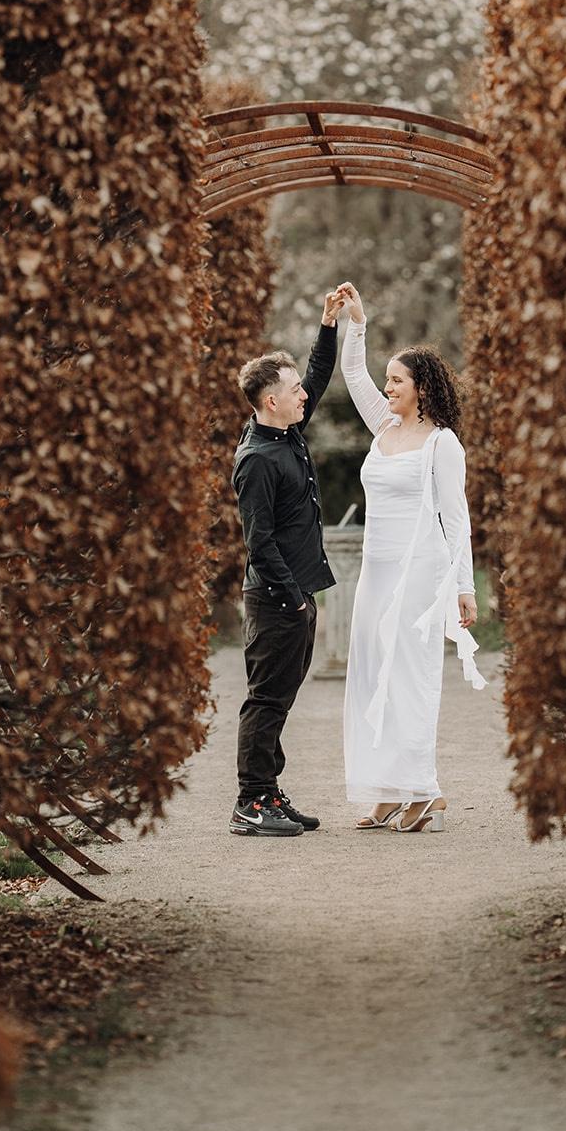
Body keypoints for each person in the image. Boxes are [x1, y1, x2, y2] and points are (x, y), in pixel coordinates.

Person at [336, 281, 485, 833]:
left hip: (419, 574)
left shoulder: (443, 444)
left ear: (421, 388)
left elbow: (458, 518)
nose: (386, 386)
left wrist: (465, 587)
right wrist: (358, 323)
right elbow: (353, 377)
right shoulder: (385, 428)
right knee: (374, 674)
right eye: (388, 379)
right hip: (376, 572)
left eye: (396, 380)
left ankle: (422, 791)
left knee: (409, 678)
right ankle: (385, 788)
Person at [229, 289, 345, 838]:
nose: (305, 395)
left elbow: (317, 378)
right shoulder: (257, 459)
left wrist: (327, 326)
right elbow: (259, 541)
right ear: (270, 400)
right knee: (266, 699)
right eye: (293, 390)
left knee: (279, 699)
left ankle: (269, 791)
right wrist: (295, 598)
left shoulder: (288, 431)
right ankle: (250, 804)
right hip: (277, 599)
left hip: (296, 594)